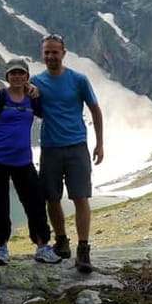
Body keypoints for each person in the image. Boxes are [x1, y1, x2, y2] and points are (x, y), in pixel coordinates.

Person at [0, 58, 61, 266]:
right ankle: (2, 248)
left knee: (35, 202)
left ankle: (42, 246)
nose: (17, 76)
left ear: (27, 76)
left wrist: (36, 92)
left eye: (21, 73)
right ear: (7, 76)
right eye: (13, 73)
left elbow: (45, 112)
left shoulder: (32, 98)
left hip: (23, 160)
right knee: (0, 204)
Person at [30, 34, 104, 273]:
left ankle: (83, 248)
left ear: (63, 53)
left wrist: (99, 144)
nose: (51, 56)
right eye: (47, 52)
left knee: (80, 197)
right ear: (42, 54)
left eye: (55, 52)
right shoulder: (35, 82)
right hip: (50, 147)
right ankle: (61, 241)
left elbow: (95, 110)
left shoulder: (78, 80)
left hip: (76, 146)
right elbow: (13, 96)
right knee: (51, 197)